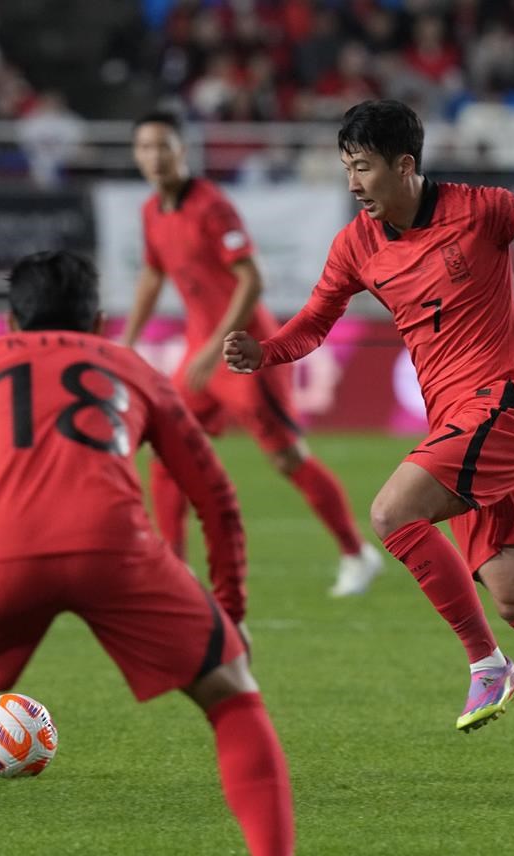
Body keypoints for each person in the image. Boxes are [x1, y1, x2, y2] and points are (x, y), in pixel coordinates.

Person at [0, 251, 293, 856]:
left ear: (11, 324)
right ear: (96, 323)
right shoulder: (130, 366)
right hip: (117, 548)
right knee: (232, 693)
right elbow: (215, 494)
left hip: (0, 549)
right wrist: (231, 608)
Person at [225, 99, 514, 732]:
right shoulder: (356, 244)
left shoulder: (484, 211)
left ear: (404, 165)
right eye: (346, 167)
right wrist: (266, 353)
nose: (352, 184)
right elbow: (315, 321)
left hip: (501, 407)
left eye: (363, 167)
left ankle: (487, 664)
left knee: (392, 512)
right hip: (456, 427)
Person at [125, 110, 381, 597]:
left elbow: (252, 280)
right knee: (167, 450)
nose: (154, 157)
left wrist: (212, 347)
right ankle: (173, 571)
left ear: (183, 150)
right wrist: (129, 339)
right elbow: (153, 274)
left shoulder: (210, 206)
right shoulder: (151, 212)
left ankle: (357, 552)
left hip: (243, 351)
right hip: (201, 354)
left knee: (287, 459)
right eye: (145, 147)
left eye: (163, 146)